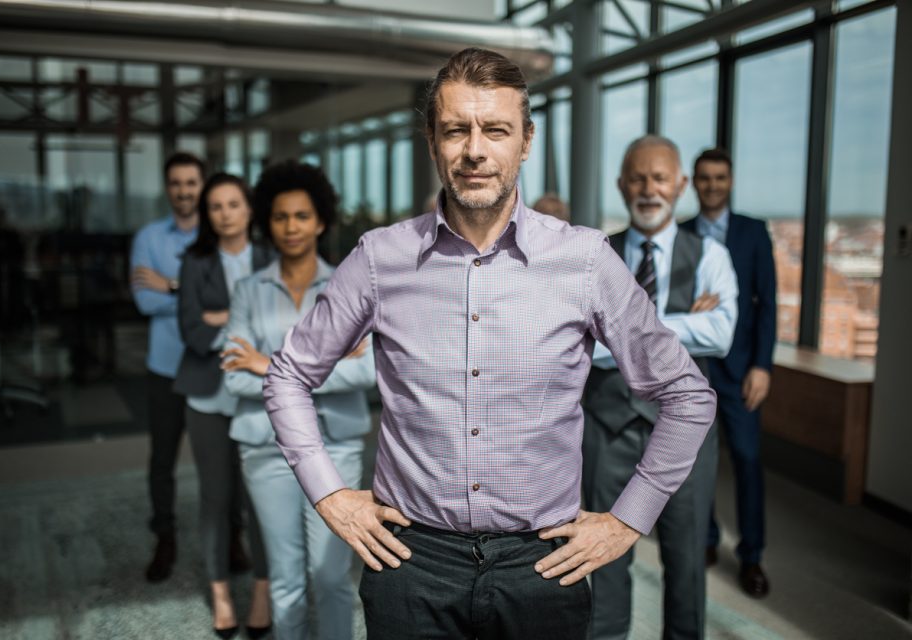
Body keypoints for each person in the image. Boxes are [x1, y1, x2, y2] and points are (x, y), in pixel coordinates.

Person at [263, 47, 718, 640]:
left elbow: (688, 396)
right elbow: (288, 375)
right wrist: (329, 495)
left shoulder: (583, 261)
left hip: (543, 566)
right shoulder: (380, 258)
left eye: (495, 130)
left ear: (525, 141)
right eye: (456, 130)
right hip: (410, 564)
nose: (475, 150)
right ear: (433, 142)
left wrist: (628, 521)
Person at [582, 134, 738, 640]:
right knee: (600, 556)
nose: (649, 188)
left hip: (686, 437)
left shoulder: (711, 254)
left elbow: (721, 334)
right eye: (638, 177)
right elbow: (583, 342)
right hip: (606, 428)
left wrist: (624, 329)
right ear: (622, 185)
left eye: (660, 177)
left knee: (687, 559)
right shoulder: (595, 256)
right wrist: (678, 324)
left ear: (681, 185)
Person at [221, 159, 377, 640]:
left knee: (331, 576)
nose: (291, 227)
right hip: (267, 449)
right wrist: (329, 364)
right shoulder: (248, 290)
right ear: (268, 222)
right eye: (281, 216)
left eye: (302, 216)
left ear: (322, 220)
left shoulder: (348, 288)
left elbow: (369, 370)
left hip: (337, 446)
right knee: (285, 580)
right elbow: (234, 380)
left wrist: (269, 366)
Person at [173, 173, 274, 638]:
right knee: (215, 498)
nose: (225, 213)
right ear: (208, 215)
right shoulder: (194, 262)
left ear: (249, 210)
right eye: (216, 206)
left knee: (259, 498)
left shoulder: (272, 257)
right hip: (208, 396)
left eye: (234, 204)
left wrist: (223, 318)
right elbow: (192, 331)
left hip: (258, 394)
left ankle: (260, 588)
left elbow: (282, 327)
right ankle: (218, 591)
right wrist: (240, 326)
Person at [681, 147, 777, 598]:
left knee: (747, 460)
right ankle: (706, 539)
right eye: (705, 178)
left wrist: (762, 366)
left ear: (730, 182)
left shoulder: (754, 234)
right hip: (691, 370)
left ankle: (752, 556)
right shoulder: (678, 234)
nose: (713, 185)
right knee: (696, 463)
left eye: (720, 177)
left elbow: (768, 304)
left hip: (741, 373)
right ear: (694, 183)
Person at [129, 151, 203, 583]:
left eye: (190, 183)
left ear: (201, 186)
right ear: (167, 188)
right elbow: (145, 300)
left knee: (224, 460)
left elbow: (228, 301)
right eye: (176, 183)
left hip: (213, 367)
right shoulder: (148, 238)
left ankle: (232, 535)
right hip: (166, 368)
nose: (183, 191)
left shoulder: (220, 235)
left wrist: (173, 285)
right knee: (162, 460)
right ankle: (165, 538)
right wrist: (197, 296)